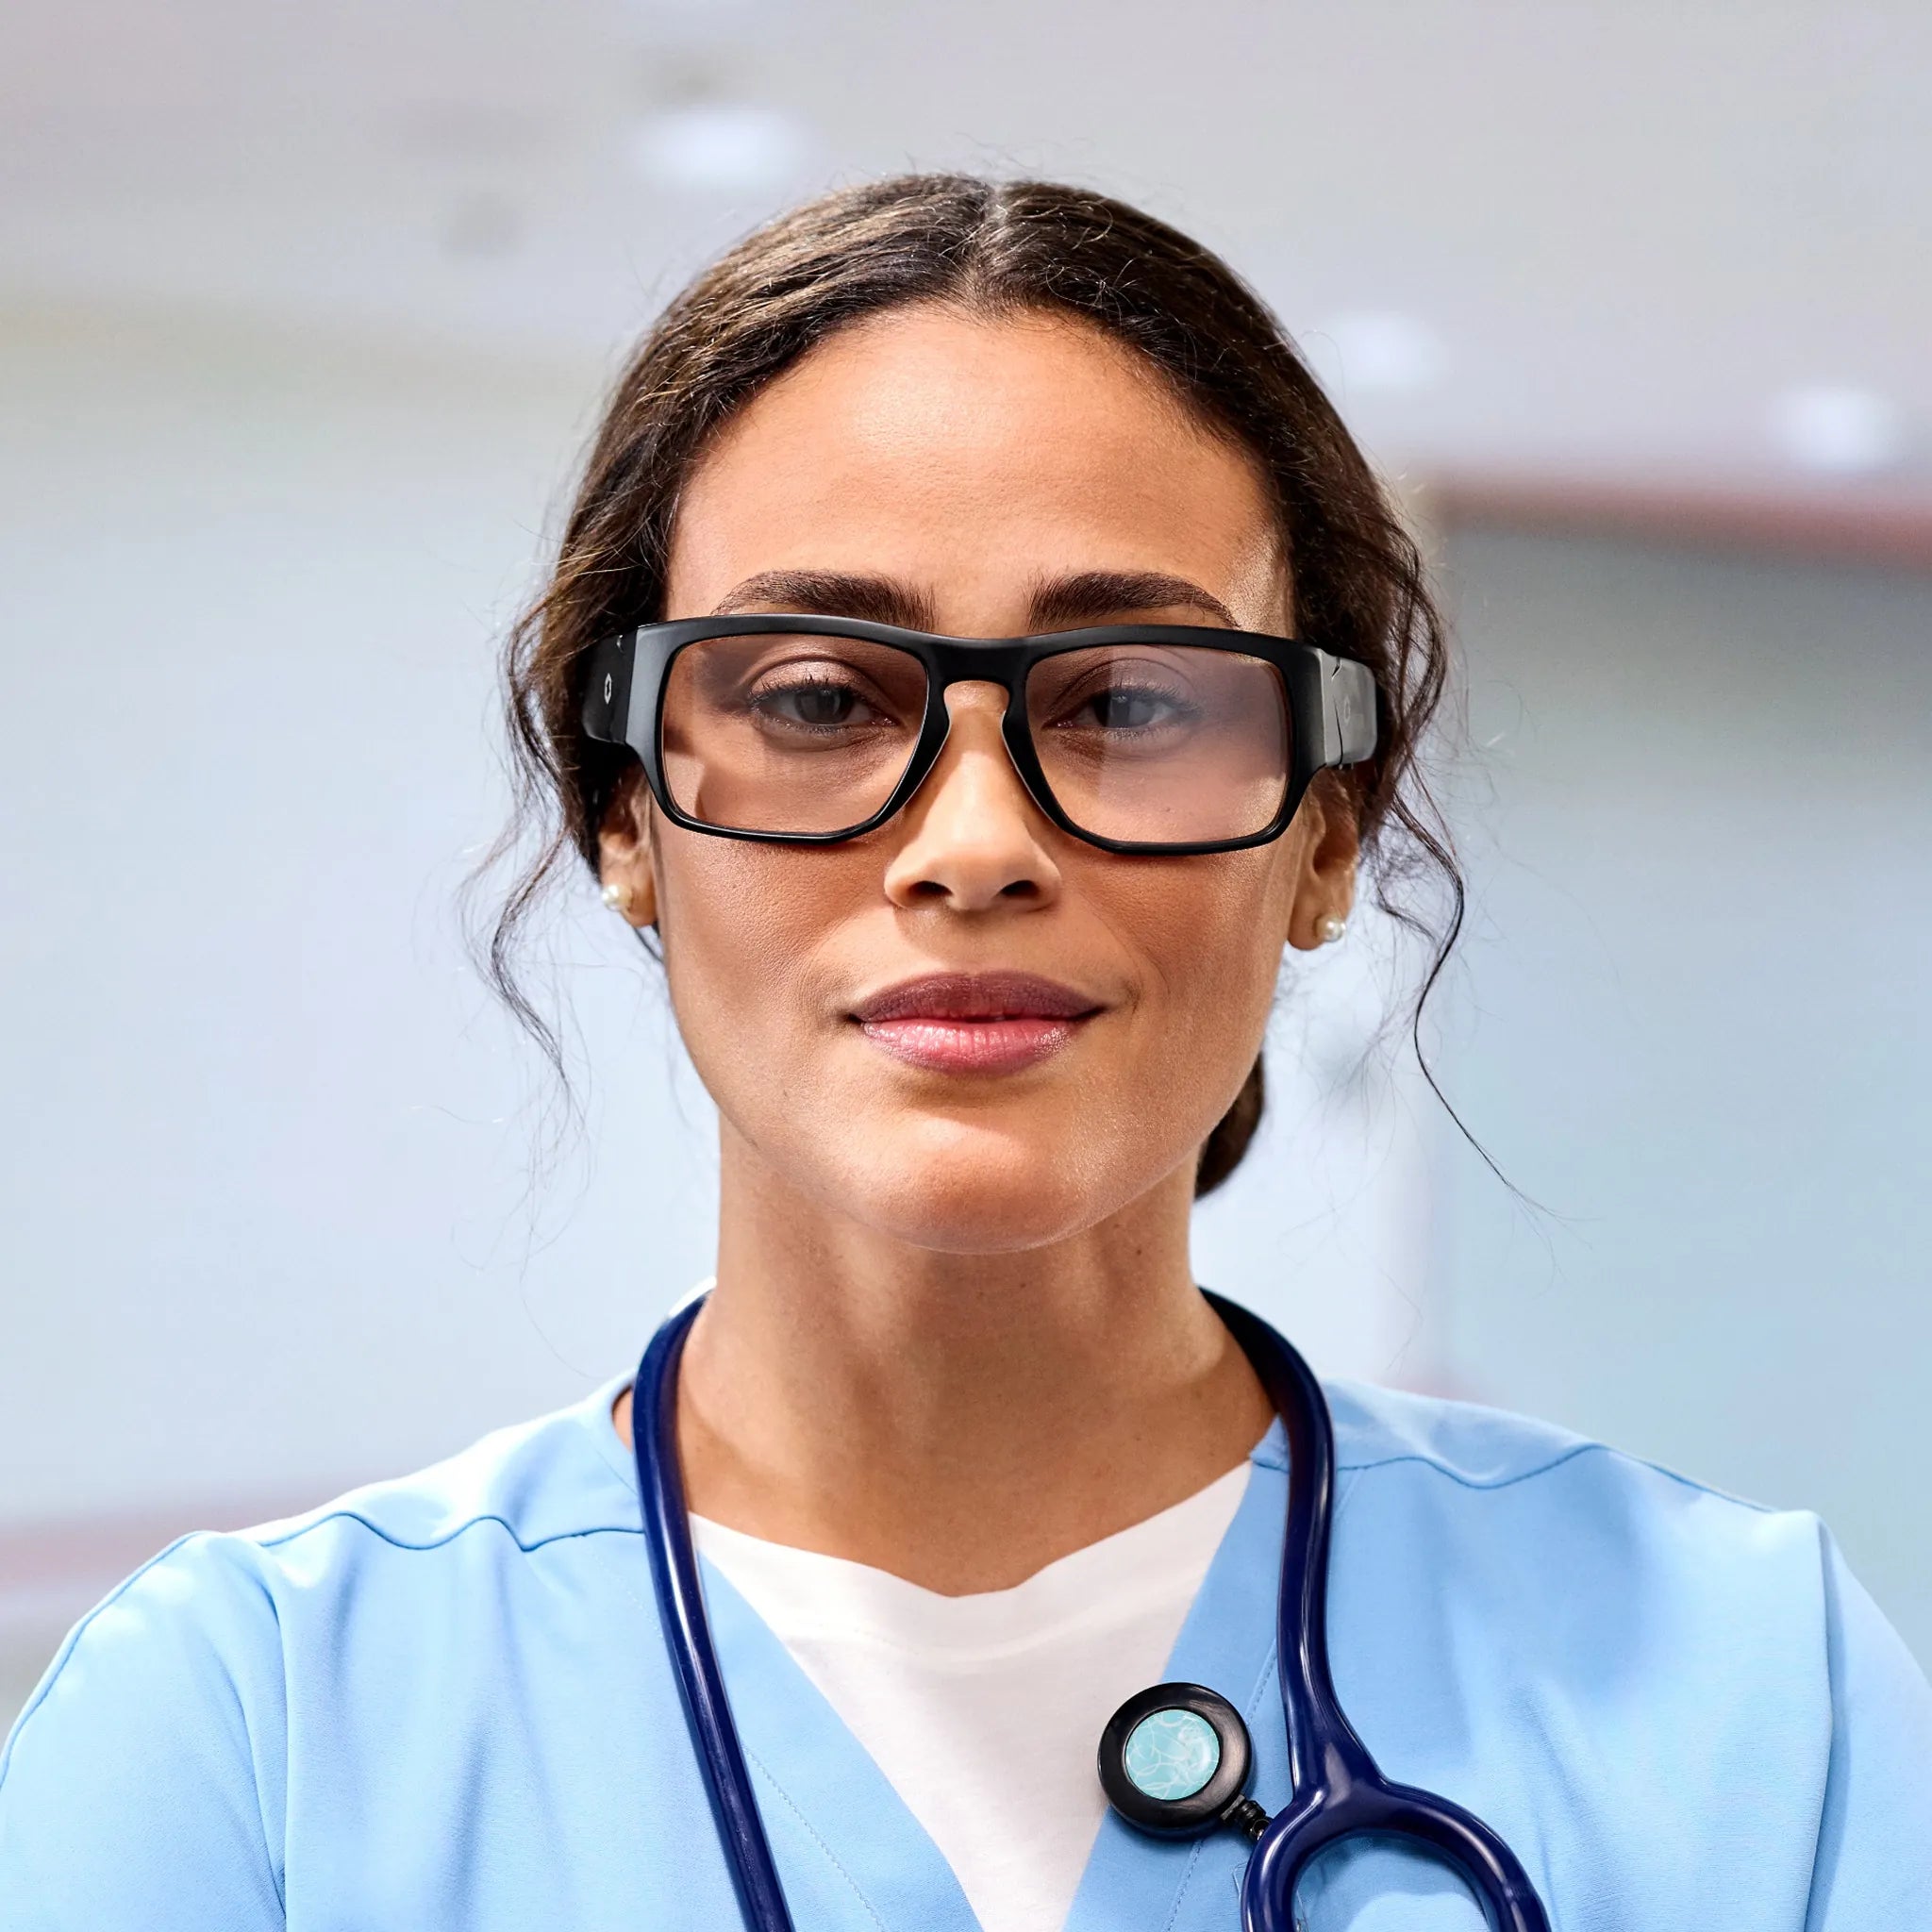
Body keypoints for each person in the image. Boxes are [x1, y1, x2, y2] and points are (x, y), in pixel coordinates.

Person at [2, 175, 1927, 1931]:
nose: (977, 843)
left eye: (1135, 699)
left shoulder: (1747, 1683)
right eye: (822, 695)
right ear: (622, 818)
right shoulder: (247, 1733)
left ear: (1325, 831)